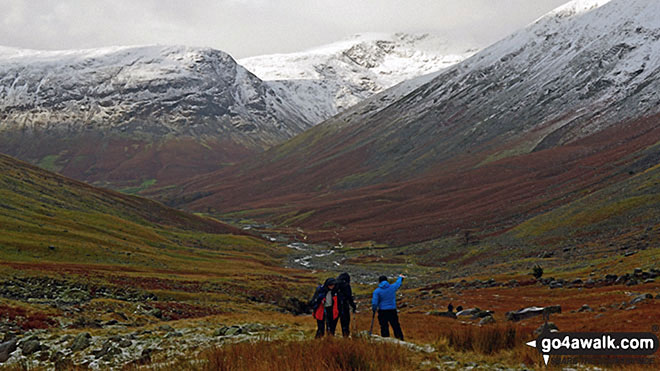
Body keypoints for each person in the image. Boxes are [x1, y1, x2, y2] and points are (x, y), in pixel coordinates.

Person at [371, 274, 405, 340]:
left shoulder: (377, 291)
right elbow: (398, 283)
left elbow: (374, 303)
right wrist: (400, 277)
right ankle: (400, 339)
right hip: (392, 310)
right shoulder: (392, 287)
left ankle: (386, 341)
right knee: (396, 326)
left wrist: (374, 309)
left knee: (384, 327)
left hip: (382, 311)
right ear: (387, 280)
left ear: (379, 282)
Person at [336, 272, 357, 337]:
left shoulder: (335, 284)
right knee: (345, 322)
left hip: (335, 305)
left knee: (333, 322)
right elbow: (349, 297)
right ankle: (345, 335)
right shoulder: (346, 285)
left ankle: (330, 335)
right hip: (344, 305)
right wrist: (353, 306)